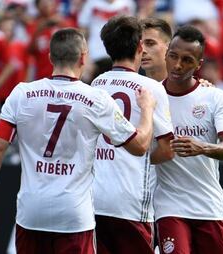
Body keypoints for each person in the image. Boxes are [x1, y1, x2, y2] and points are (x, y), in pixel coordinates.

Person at [0, 28, 157, 254]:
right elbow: (139, 146)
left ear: (50, 57)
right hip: (74, 216)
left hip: (31, 213)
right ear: (83, 57)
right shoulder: (95, 99)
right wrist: (147, 109)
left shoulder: (21, 94)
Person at [150, 25, 223, 254]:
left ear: (199, 65)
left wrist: (203, 147)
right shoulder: (151, 97)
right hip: (170, 205)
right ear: (167, 53)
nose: (178, 65)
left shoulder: (214, 97)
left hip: (209, 206)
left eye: (187, 60)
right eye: (174, 56)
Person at [91, 15, 174, 254]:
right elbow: (167, 150)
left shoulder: (95, 84)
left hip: (93, 200)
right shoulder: (151, 88)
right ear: (138, 47)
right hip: (131, 201)